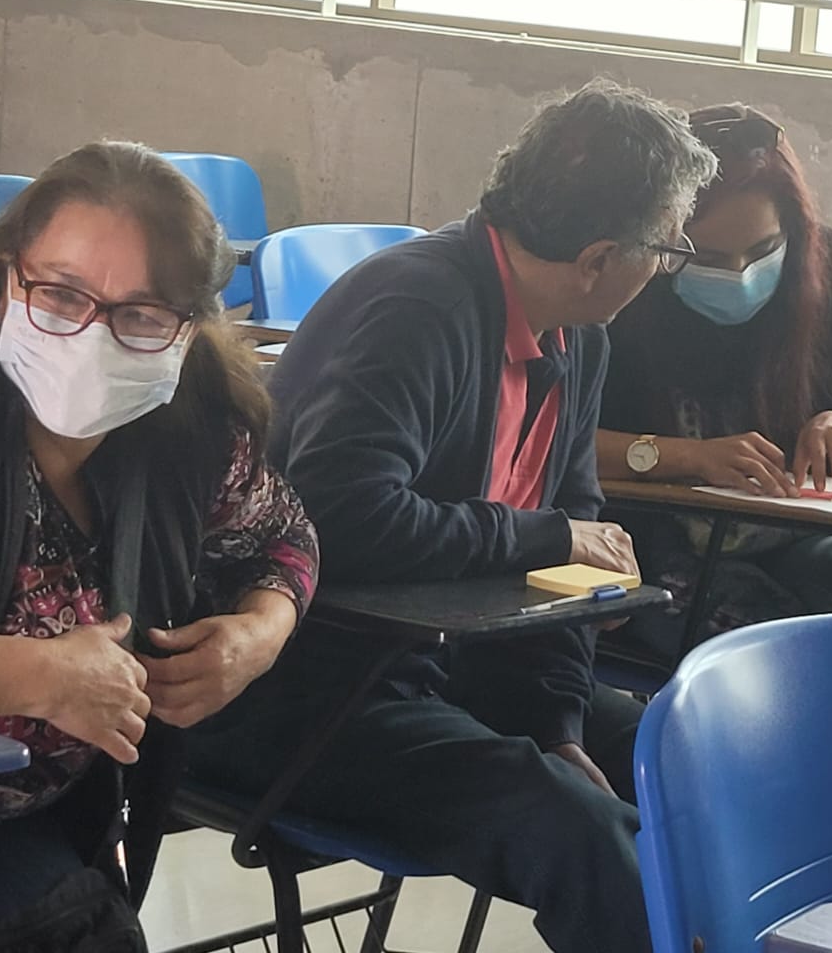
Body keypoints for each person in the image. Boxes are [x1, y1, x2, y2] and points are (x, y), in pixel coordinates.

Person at [186, 80, 717, 953]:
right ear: (596, 258)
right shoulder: (418, 307)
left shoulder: (580, 335)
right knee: (580, 833)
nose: (669, 265)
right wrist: (546, 537)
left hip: (457, 664)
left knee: (699, 765)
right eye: (667, 248)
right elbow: (341, 520)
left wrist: (555, 722)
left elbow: (571, 563)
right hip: (313, 687)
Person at [0, 143, 318, 943]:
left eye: (140, 315)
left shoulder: (187, 425)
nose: (90, 335)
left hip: (11, 827)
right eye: (60, 293)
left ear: (186, 332)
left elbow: (284, 539)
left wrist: (256, 637)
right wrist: (45, 675)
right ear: (6, 277)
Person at [596, 103, 832, 660]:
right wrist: (689, 458)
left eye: (763, 250)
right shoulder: (627, 282)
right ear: (664, 238)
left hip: (791, 538)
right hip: (650, 543)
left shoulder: (822, 264)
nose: (740, 274)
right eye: (709, 257)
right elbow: (560, 442)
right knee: (773, 651)